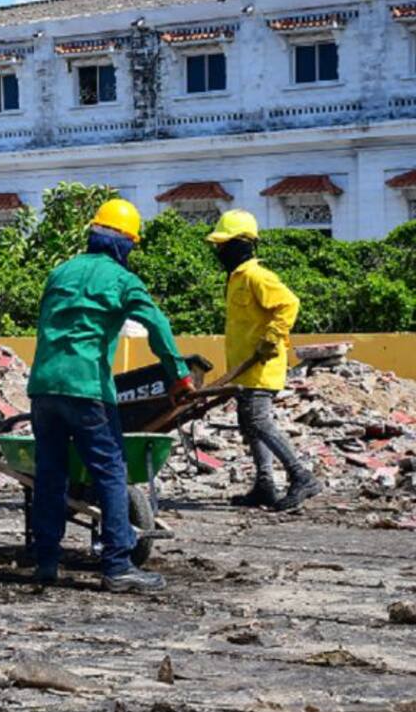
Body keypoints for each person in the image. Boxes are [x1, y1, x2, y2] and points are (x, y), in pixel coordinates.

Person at [26, 198, 193, 594]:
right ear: (124, 244)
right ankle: (117, 564)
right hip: (87, 389)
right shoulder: (122, 280)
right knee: (111, 472)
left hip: (44, 387)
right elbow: (155, 323)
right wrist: (179, 376)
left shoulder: (60, 271)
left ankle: (46, 561)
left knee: (50, 474)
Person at [207, 209, 322, 512]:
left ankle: (301, 476)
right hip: (244, 369)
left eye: (223, 244)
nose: (219, 251)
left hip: (262, 368)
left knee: (259, 421)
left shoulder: (258, 275)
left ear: (241, 244)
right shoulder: (235, 279)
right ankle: (265, 484)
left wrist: (271, 337)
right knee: (249, 425)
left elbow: (288, 304)